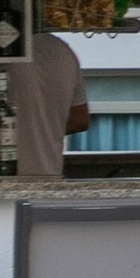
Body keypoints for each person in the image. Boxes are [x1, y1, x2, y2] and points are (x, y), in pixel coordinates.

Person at [20, 27, 93, 185]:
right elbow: (80, 119)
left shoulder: (1, 51)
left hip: (1, 177)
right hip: (49, 175)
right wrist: (45, 129)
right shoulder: (64, 52)